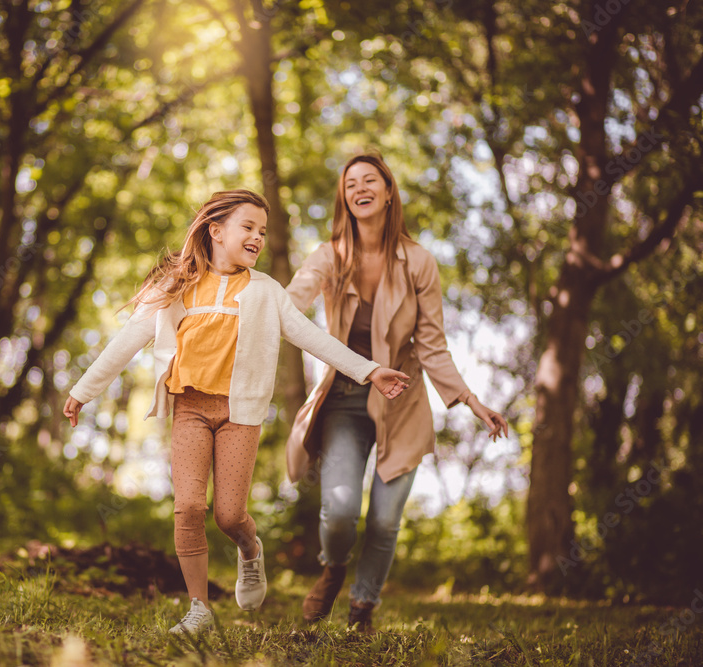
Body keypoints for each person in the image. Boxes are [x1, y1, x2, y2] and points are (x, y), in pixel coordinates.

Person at [63, 189, 411, 635]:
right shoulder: (177, 286)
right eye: (248, 227)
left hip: (239, 414)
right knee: (188, 507)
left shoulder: (266, 292)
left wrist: (370, 371)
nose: (257, 237)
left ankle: (250, 549)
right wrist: (82, 390)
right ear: (216, 230)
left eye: (262, 231)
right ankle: (199, 610)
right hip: (189, 408)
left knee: (228, 515)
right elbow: (127, 339)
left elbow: (312, 337)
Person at [284, 151, 509, 633]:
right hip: (344, 397)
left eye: (370, 181)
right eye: (350, 184)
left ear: (388, 192)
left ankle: (362, 608)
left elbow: (433, 347)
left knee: (385, 521)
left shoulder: (420, 262)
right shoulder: (329, 256)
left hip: (401, 401)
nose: (360, 189)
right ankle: (333, 568)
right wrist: (246, 302)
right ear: (344, 198)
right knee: (340, 508)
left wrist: (472, 401)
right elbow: (291, 302)